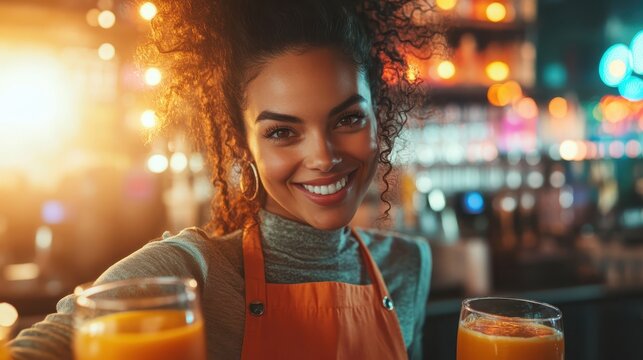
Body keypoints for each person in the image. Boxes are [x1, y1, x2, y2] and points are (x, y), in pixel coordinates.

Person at [9, 0, 441, 358]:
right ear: (243, 144)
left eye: (347, 118)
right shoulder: (191, 272)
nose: (323, 157)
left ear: (377, 119)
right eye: (282, 132)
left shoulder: (407, 266)